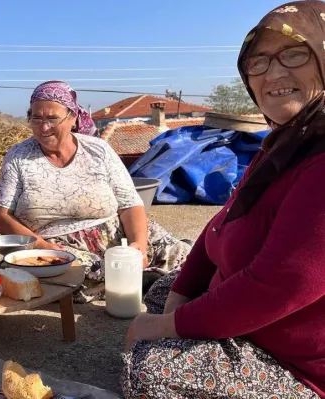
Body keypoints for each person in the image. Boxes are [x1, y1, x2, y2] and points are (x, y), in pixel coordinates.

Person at [122, 2, 325, 397]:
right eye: (259, 61)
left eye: (295, 53)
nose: (274, 72)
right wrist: (178, 303)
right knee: (165, 291)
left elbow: (278, 283)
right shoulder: (282, 146)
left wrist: (166, 329)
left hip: (297, 360)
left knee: (151, 370)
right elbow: (219, 228)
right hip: (250, 317)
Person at [0, 81, 191, 303]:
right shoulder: (19, 156)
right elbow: (2, 218)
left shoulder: (98, 149)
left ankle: (148, 276)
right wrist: (43, 247)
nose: (44, 127)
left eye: (52, 118)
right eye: (36, 118)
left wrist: (139, 245)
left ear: (72, 118)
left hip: (117, 234)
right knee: (77, 274)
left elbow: (129, 203)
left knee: (191, 259)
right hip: (55, 246)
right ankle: (147, 282)